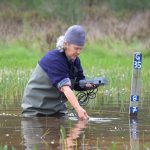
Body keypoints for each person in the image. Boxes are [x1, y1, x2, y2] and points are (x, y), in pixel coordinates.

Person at [21, 25, 94, 119]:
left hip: (57, 111)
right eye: (76, 48)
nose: (79, 52)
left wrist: (90, 84)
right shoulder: (54, 59)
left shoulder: (75, 60)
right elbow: (65, 88)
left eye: (81, 49)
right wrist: (78, 108)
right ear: (66, 44)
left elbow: (78, 84)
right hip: (35, 111)